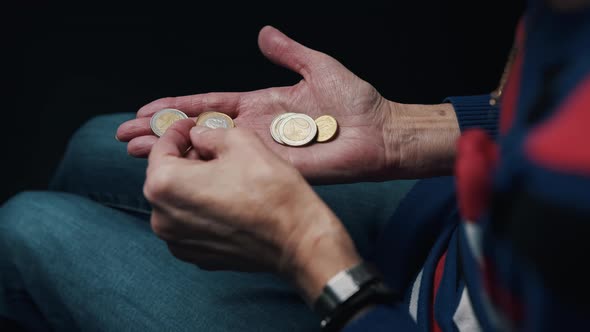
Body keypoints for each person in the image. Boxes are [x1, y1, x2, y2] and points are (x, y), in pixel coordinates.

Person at [1, 1, 589, 330]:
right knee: (95, 143)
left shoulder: (566, 193)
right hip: (448, 228)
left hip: (381, 316)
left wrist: (307, 251)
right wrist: (400, 132)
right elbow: (539, 108)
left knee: (24, 228)